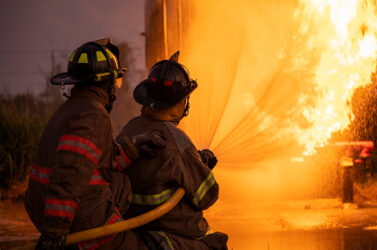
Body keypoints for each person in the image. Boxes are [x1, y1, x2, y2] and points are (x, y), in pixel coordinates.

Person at [25, 38, 165, 250]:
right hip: (80, 220)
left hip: (44, 209)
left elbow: (99, 160)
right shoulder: (93, 116)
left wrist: (135, 145)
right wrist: (55, 230)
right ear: (107, 83)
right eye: (116, 82)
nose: (117, 89)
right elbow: (70, 174)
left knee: (121, 184)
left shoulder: (73, 108)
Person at [118, 52, 228, 250]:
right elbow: (207, 195)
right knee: (216, 244)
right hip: (171, 231)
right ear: (181, 102)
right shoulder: (177, 140)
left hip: (135, 229)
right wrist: (204, 168)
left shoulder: (130, 128)